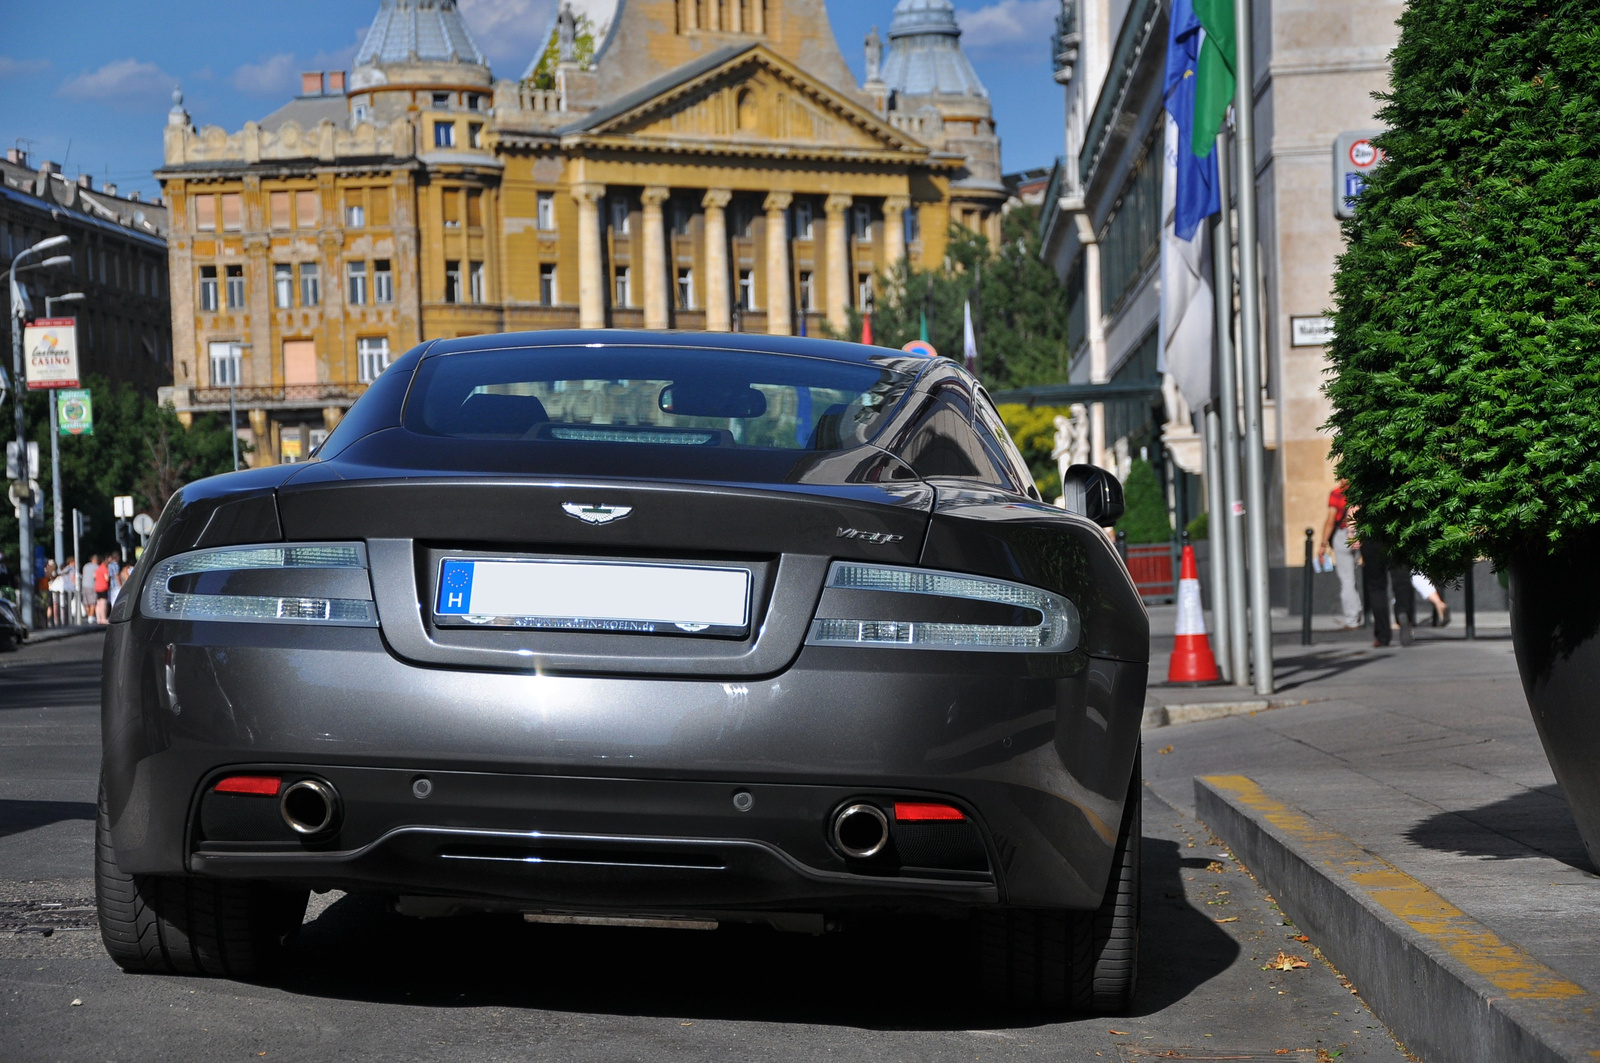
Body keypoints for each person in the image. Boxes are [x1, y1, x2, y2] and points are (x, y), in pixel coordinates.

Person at [1317, 478, 1364, 630]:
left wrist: (1323, 544)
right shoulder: (1361, 491)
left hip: (1343, 534)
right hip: (1363, 533)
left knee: (1347, 579)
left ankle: (1352, 619)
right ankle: (1363, 612)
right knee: (1364, 576)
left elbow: (1331, 520)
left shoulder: (1337, 494)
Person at [1355, 533, 1415, 647]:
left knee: (1376, 587)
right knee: (1401, 581)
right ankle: (1404, 612)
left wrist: (1353, 533)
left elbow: (1355, 515)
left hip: (1372, 536)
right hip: (1397, 535)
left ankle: (1383, 635)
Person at [80, 554, 100, 626]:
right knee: (93, 602)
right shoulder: (97, 567)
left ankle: (89, 615)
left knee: (86, 601)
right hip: (92, 585)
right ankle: (91, 616)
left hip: (84, 585)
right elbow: (96, 576)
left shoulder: (85, 566)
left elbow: (84, 574)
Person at [94, 557, 111, 623]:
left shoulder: (98, 569)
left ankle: (98, 618)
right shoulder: (104, 569)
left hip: (97, 587)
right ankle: (103, 618)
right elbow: (106, 578)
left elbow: (94, 576)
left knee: (98, 603)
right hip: (103, 587)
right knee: (103, 603)